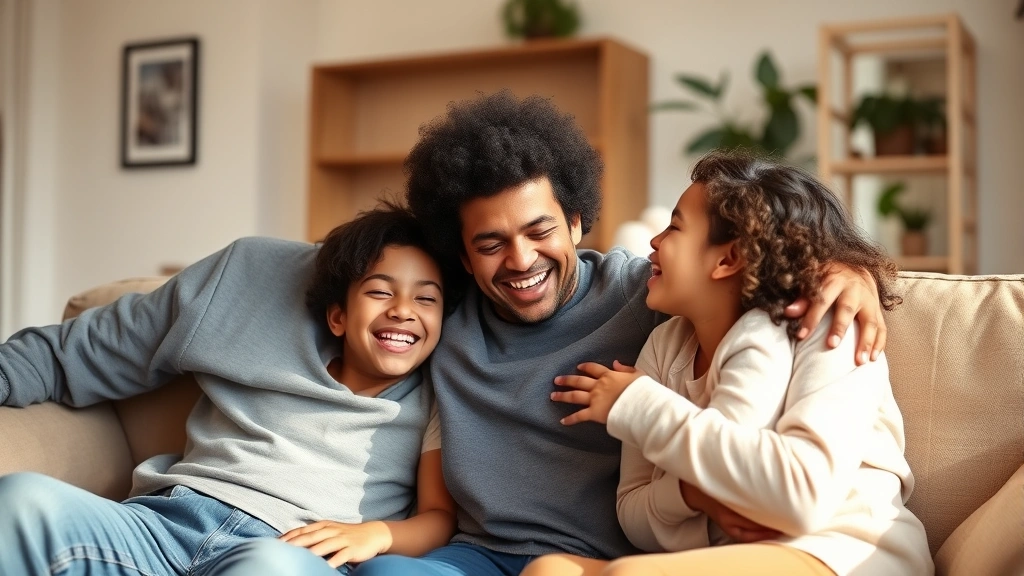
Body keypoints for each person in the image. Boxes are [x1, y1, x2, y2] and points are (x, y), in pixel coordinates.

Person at [350, 92, 891, 576]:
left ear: (578, 222)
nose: (520, 260)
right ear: (462, 256)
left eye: (540, 231)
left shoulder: (646, 294)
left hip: (612, 554)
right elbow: (365, 309)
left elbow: (757, 263)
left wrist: (844, 270)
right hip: (481, 553)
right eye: (490, 245)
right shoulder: (440, 316)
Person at [523, 151, 932, 575]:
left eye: (675, 226)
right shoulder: (665, 346)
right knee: (549, 571)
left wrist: (635, 404)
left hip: (841, 553)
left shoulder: (827, 324)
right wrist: (692, 495)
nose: (655, 242)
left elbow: (802, 498)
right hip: (726, 558)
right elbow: (633, 513)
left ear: (728, 258)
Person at [0, 202, 457, 576]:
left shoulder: (434, 398)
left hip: (288, 552)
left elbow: (438, 517)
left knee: (270, 569)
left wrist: (374, 533)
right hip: (167, 522)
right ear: (337, 317)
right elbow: (76, 352)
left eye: (425, 298)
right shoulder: (254, 326)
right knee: (20, 500)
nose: (402, 310)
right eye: (380, 292)